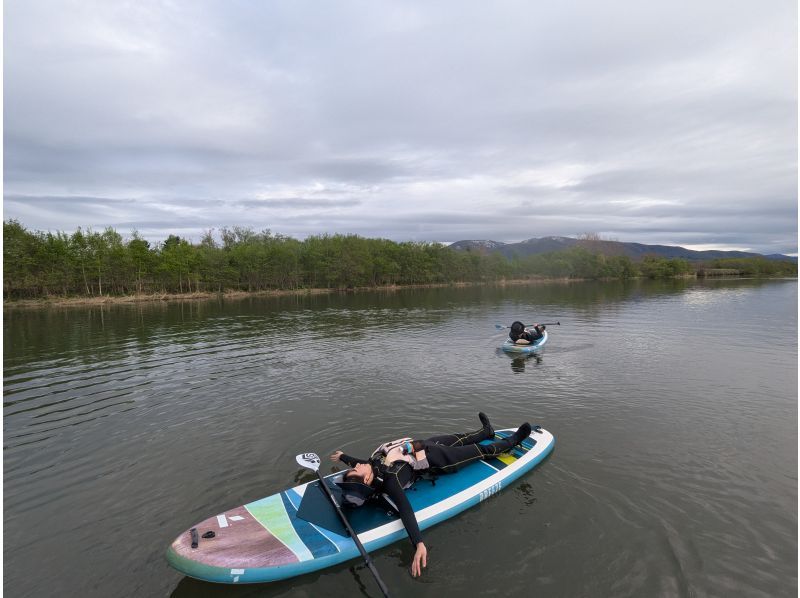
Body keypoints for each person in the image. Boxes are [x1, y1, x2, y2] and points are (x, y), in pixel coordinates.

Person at [329, 414, 532, 578]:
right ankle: (514, 440)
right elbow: (405, 509)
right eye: (356, 469)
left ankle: (486, 431)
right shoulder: (390, 480)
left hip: (424, 446)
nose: (357, 465)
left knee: (458, 438)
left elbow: (360, 464)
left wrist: (343, 457)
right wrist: (419, 543)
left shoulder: (370, 469)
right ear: (366, 480)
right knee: (481, 450)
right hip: (441, 459)